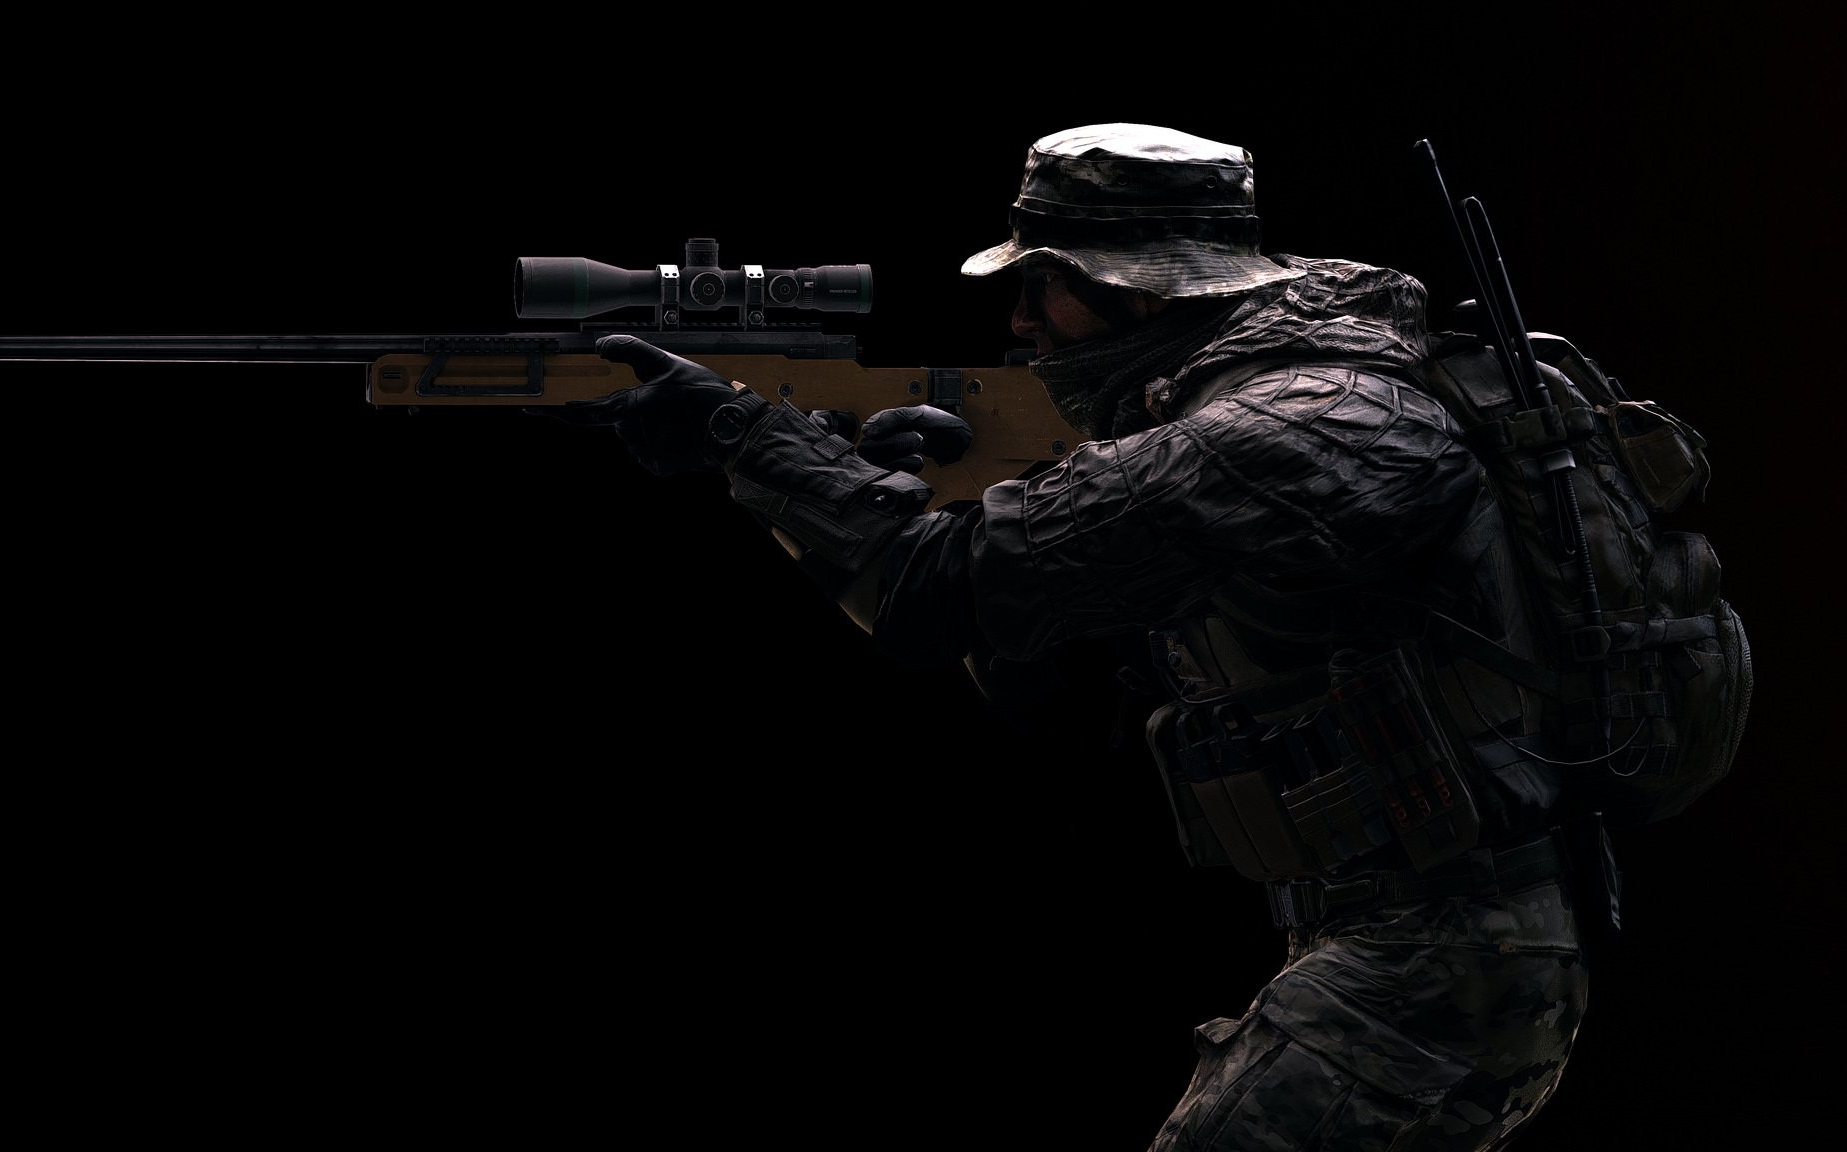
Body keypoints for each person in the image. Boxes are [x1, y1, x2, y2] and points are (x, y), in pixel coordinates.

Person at [552, 123, 1595, 1150]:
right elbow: (1055, 699)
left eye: (1042, 285)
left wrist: (746, 438)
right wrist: (927, 492)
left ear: (1141, 290)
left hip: (1439, 963)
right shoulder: (1259, 407)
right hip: (1414, 949)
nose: (1019, 322)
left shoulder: (1295, 425)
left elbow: (929, 596)